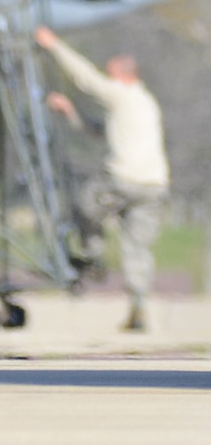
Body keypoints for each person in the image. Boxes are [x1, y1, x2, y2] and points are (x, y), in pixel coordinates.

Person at [35, 26, 169, 332]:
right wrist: (70, 111)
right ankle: (138, 306)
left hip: (124, 181)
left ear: (123, 75)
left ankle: (91, 256)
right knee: (137, 247)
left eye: (111, 75)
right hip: (154, 186)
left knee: (85, 203)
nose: (108, 81)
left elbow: (86, 79)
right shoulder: (144, 104)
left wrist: (54, 46)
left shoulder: (123, 94)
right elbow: (102, 132)